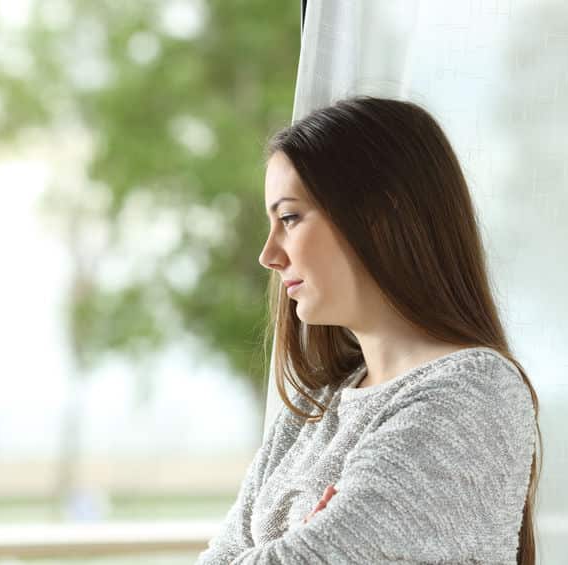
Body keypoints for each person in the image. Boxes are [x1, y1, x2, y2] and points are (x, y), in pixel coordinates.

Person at [195, 96, 542, 564]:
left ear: (381, 215)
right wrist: (302, 541)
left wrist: (298, 547)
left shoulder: (474, 392)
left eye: (290, 218)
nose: (269, 254)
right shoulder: (310, 411)